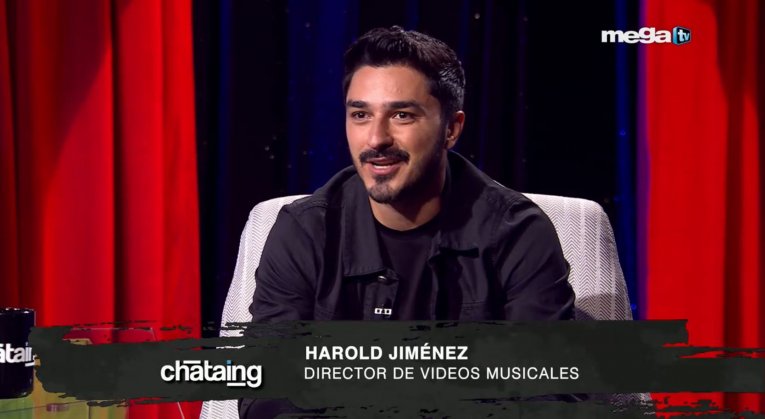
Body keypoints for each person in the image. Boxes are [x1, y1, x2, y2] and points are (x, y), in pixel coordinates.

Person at [240, 25, 576, 418]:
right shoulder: (306, 231)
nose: (376, 139)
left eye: (402, 115)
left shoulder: (517, 233)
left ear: (451, 128)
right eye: (360, 115)